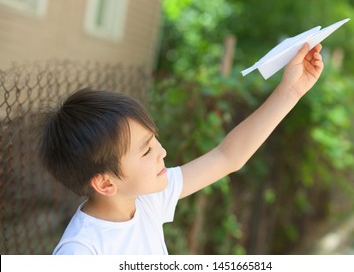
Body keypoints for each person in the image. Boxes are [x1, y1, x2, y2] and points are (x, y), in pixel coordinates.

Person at [38, 43, 324, 255]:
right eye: (146, 151)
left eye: (154, 141)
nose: (162, 151)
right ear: (104, 182)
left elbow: (227, 157)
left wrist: (292, 91)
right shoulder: (81, 252)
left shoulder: (144, 199)